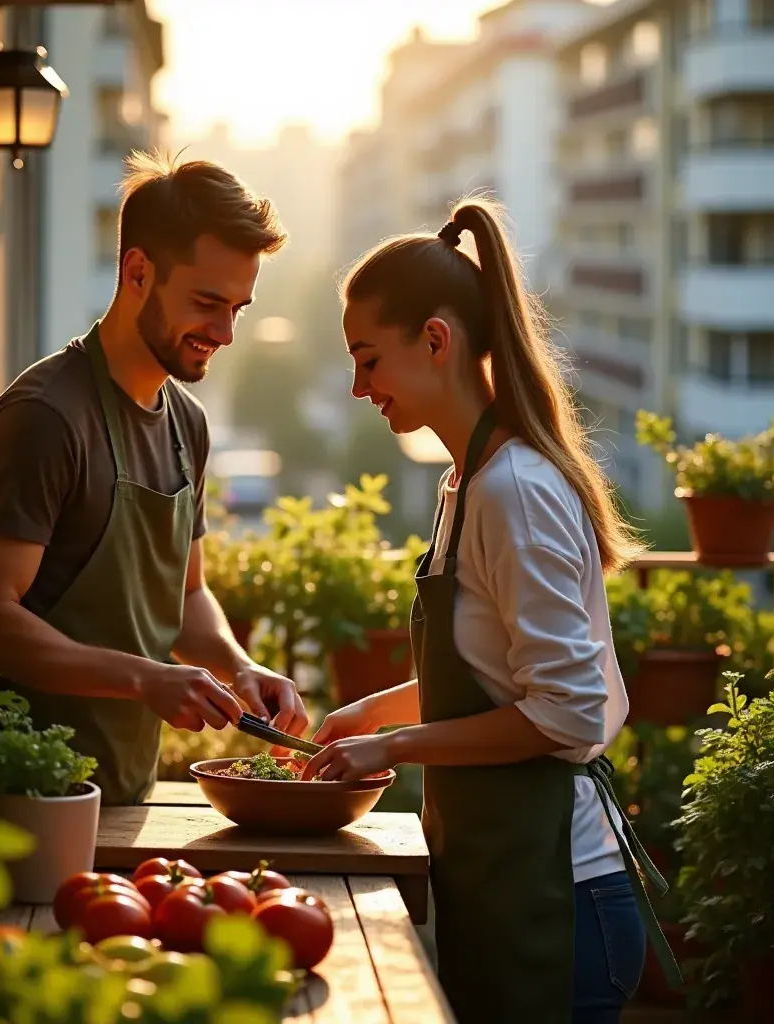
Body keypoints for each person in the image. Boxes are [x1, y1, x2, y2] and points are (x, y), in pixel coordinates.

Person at [301, 198, 680, 1023]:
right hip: (498, 877)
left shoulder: (515, 492)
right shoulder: (465, 486)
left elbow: (569, 715)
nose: (358, 387)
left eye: (368, 360)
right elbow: (497, 679)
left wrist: (395, 745)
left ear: (435, 340)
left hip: (560, 893)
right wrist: (370, 713)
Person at [0, 152, 308, 806]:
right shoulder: (46, 418)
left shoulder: (187, 425)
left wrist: (240, 666)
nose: (225, 332)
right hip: (29, 803)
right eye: (207, 303)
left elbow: (187, 597)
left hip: (127, 795)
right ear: (138, 272)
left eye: (239, 308)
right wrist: (144, 680)